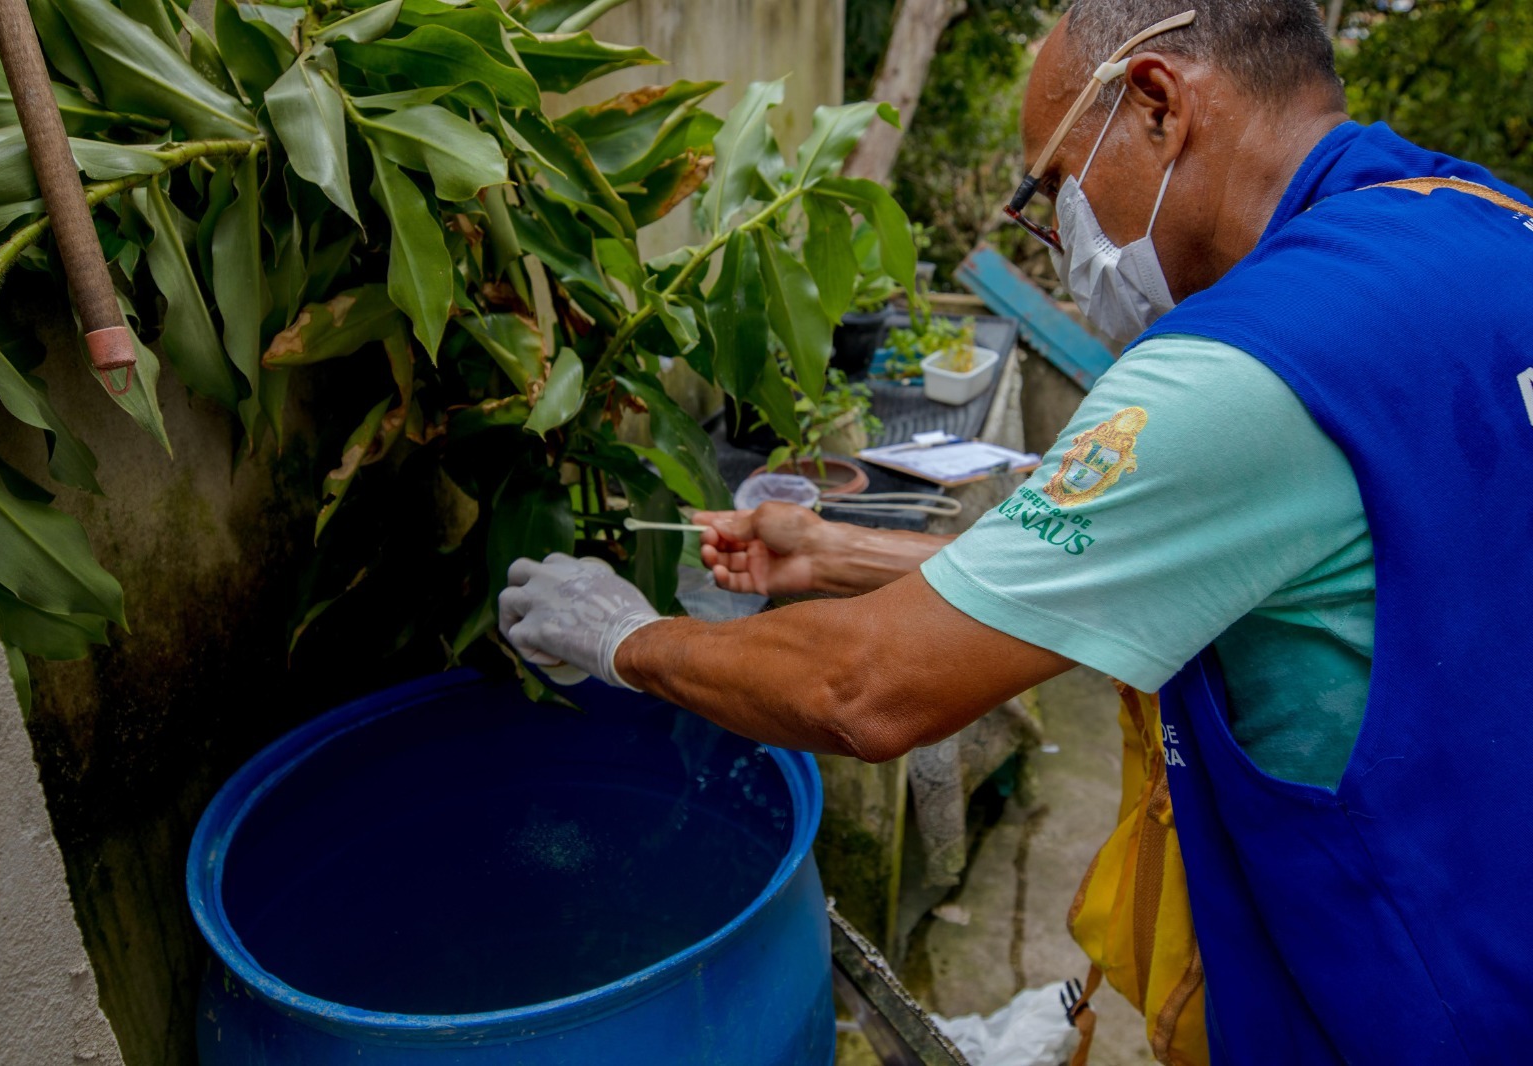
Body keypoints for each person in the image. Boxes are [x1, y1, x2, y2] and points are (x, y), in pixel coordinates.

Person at [501, 1, 1533, 1061]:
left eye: (1054, 187)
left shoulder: (1246, 365)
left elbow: (868, 687)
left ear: (1156, 105)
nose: (1063, 237)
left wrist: (621, 637)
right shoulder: (1484, 223)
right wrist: (838, 553)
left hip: (1417, 999)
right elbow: (1221, 551)